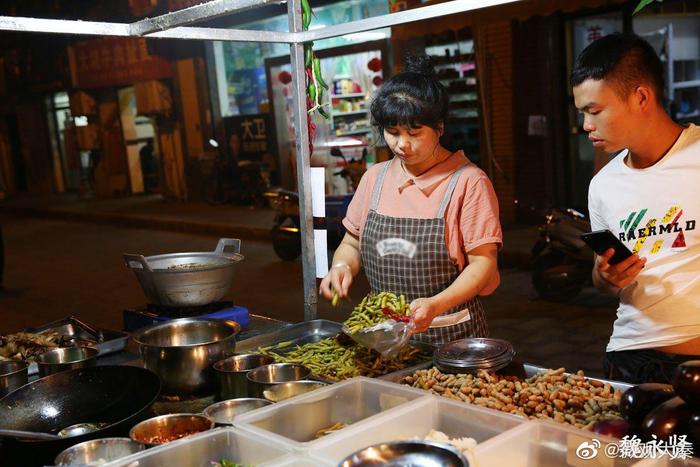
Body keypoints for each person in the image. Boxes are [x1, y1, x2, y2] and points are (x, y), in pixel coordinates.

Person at [319, 55, 502, 345]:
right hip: (384, 337)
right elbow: (352, 242)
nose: (402, 144)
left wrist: (435, 305)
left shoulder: (468, 182)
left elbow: (483, 265)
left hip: (450, 336)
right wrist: (341, 266)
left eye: (414, 132)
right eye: (392, 133)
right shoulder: (375, 178)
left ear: (439, 127)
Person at [572, 33, 700, 384]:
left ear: (641, 96)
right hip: (629, 359)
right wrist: (607, 275)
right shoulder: (603, 184)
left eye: (594, 111)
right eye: (582, 113)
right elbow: (602, 282)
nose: (586, 125)